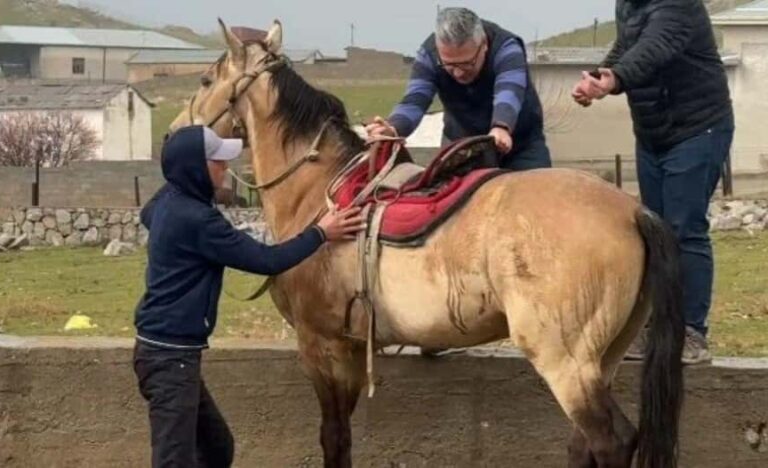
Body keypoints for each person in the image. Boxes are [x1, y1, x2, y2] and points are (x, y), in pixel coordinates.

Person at [132, 125, 365, 467]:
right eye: (218, 161)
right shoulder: (198, 221)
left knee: (217, 448)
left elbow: (147, 214)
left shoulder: (169, 202)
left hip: (165, 354)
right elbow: (266, 260)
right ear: (197, 168)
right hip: (170, 360)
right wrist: (321, 232)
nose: (226, 168)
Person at [572, 0, 735, 365]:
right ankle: (657, 330)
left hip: (697, 129)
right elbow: (628, 46)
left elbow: (653, 48)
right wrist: (599, 77)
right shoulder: (629, 5)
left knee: (684, 230)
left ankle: (691, 332)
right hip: (653, 134)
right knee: (655, 232)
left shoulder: (680, 6)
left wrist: (614, 80)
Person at [366, 7, 551, 171]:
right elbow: (415, 99)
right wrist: (393, 129)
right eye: (449, 65)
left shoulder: (506, 47)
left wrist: (501, 126)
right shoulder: (429, 54)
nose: (458, 73)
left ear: (484, 45)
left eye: (467, 63)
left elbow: (509, 90)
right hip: (461, 145)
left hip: (520, 145)